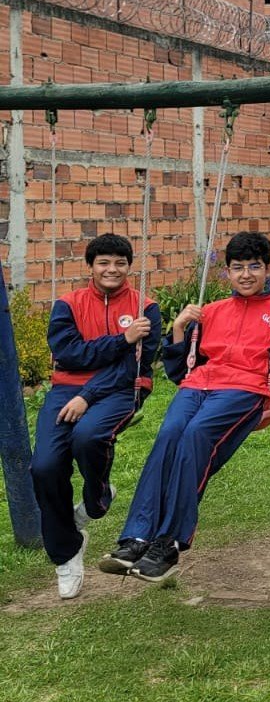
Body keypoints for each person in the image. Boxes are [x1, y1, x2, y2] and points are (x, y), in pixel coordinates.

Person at [99, 231, 270, 582]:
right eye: (237, 267)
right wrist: (180, 328)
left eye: (254, 267)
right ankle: (135, 537)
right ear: (226, 271)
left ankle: (168, 543)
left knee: (195, 437)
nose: (246, 275)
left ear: (267, 269)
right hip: (200, 384)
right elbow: (180, 371)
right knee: (168, 435)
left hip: (246, 387)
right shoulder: (210, 312)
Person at [32, 233, 160, 598]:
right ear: (90, 267)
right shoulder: (67, 304)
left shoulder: (144, 307)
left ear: (129, 267)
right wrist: (122, 341)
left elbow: (133, 366)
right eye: (103, 262)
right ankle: (67, 552)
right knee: (44, 467)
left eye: (120, 263)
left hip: (122, 389)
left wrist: (88, 395)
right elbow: (68, 354)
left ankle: (97, 499)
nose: (112, 269)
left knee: (87, 436)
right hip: (65, 389)